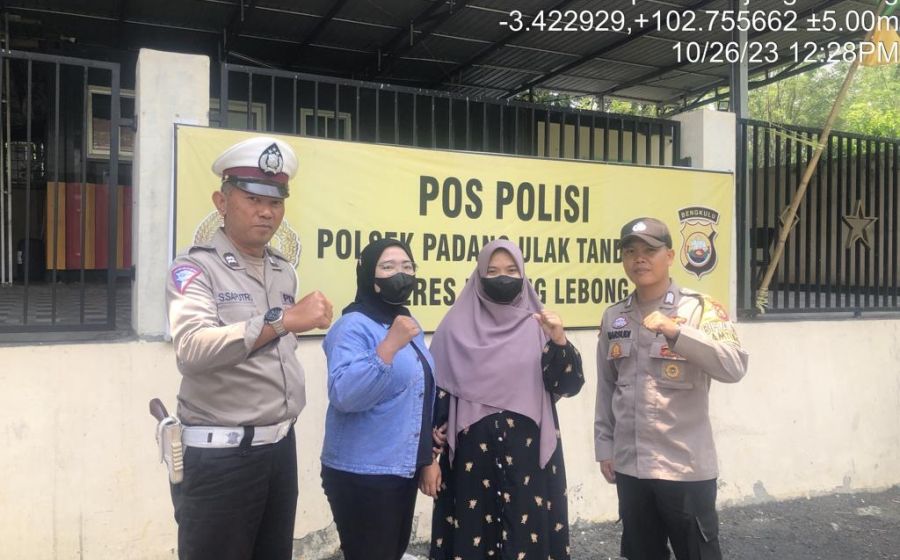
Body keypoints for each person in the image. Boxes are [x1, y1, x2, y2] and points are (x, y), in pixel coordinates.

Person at [165, 136, 333, 560]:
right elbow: (192, 349)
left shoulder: (282, 270)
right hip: (221, 456)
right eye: (253, 199)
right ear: (221, 202)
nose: (266, 211)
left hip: (278, 449)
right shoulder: (195, 268)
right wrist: (280, 321)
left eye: (275, 202)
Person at [594, 217, 750, 560]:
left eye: (649, 250)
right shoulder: (614, 317)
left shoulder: (699, 309)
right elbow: (607, 387)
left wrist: (678, 333)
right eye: (630, 251)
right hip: (632, 467)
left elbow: (734, 366)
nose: (639, 258)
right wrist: (605, 446)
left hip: (684, 468)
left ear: (670, 255)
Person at [424, 239, 584, 560]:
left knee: (527, 537)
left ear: (523, 275)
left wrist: (559, 340)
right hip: (471, 461)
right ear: (479, 276)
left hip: (527, 458)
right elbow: (436, 401)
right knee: (471, 539)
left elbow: (568, 385)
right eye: (493, 271)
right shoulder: (453, 329)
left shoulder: (539, 325)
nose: (502, 278)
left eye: (511, 270)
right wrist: (429, 457)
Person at [320, 238, 437, 560]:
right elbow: (345, 394)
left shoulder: (406, 323)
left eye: (407, 267)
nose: (400, 274)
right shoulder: (352, 326)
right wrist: (387, 347)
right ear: (370, 277)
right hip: (362, 473)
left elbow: (418, 391)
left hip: (400, 469)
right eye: (388, 267)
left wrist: (427, 454)